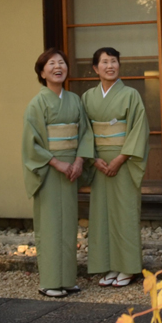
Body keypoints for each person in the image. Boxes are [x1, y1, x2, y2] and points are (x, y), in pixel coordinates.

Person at [22, 47, 92, 298]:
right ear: (42, 72)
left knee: (67, 224)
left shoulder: (74, 100)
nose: (57, 67)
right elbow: (32, 143)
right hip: (50, 170)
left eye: (61, 62)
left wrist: (79, 161)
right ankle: (50, 281)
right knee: (51, 225)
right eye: (51, 64)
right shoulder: (37, 103)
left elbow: (85, 133)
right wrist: (57, 163)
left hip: (71, 167)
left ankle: (67, 279)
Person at [82, 46, 149, 287]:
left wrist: (121, 159)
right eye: (104, 62)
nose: (110, 66)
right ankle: (108, 266)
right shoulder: (88, 97)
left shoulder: (131, 94)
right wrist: (93, 158)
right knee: (101, 215)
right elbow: (85, 131)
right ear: (95, 68)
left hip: (124, 161)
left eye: (114, 61)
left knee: (125, 214)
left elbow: (139, 129)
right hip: (100, 162)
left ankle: (128, 268)